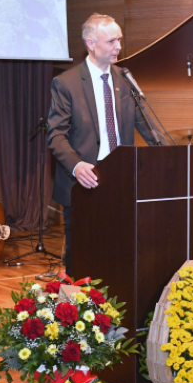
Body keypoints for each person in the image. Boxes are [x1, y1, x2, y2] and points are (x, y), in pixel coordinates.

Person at [47, 14, 158, 275]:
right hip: (84, 181)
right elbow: (55, 135)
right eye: (111, 41)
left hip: (121, 177)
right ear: (91, 43)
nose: (118, 46)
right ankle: (79, 301)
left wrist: (173, 155)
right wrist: (77, 166)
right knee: (84, 255)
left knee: (120, 251)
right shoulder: (66, 83)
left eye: (119, 39)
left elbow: (148, 127)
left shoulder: (125, 78)